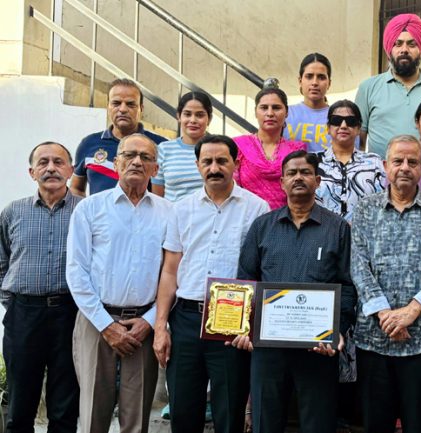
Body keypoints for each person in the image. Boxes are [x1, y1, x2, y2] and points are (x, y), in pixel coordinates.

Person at [152, 135, 269, 432]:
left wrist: (252, 326)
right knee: (183, 410)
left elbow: (261, 272)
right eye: (207, 161)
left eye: (221, 161)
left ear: (236, 163)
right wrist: (160, 326)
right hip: (186, 320)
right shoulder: (181, 209)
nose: (214, 168)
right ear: (197, 165)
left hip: (232, 322)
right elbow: (169, 270)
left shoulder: (256, 208)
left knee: (229, 412)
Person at [237, 150, 355, 433]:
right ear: (282, 182)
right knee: (267, 421)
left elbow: (348, 285)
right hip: (267, 348)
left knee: (318, 423)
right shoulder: (263, 226)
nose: (298, 178)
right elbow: (246, 280)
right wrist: (244, 327)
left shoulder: (337, 228)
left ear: (317, 180)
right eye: (291, 173)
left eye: (305, 173)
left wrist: (338, 330)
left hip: (318, 347)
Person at [351, 135, 421, 433]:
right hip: (374, 337)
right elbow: (358, 265)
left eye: (412, 162)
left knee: (419, 424)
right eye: (398, 161)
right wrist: (385, 314)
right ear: (386, 166)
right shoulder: (365, 209)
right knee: (376, 424)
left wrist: (412, 311)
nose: (404, 167)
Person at [66, 133, 171, 433]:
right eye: (129, 154)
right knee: (92, 414)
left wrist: (151, 321)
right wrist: (105, 325)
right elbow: (76, 271)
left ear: (155, 169)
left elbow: (173, 272)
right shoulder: (89, 208)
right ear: (116, 163)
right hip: (95, 321)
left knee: (136, 417)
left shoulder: (169, 212)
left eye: (146, 157)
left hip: (144, 324)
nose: (137, 161)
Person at [0, 142, 81, 433]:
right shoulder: (13, 211)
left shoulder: (85, 211)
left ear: (71, 170)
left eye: (59, 162)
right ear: (32, 172)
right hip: (24, 314)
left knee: (65, 405)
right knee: (20, 404)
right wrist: (12, 300)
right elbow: (2, 260)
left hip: (70, 314)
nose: (51, 168)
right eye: (43, 162)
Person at [355, 13, 421, 158]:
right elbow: (358, 141)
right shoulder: (368, 88)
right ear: (389, 50)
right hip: (379, 176)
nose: (404, 49)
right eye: (398, 44)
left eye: (411, 44)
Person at [71, 78, 167, 196]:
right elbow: (76, 189)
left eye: (130, 104)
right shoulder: (89, 144)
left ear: (141, 109)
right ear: (108, 107)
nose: (122, 109)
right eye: (116, 103)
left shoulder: (161, 146)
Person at [234, 87, 307, 209]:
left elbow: (301, 191)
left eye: (276, 108)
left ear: (287, 112)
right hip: (247, 219)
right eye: (264, 108)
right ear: (256, 112)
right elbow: (233, 189)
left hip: (287, 220)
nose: (270, 113)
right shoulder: (239, 145)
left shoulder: (297, 149)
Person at [316, 99, 386, 222]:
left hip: (363, 236)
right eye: (336, 121)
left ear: (358, 128)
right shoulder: (314, 161)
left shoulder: (374, 162)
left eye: (351, 121)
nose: (343, 126)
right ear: (328, 128)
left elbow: (383, 203)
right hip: (322, 236)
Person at [152, 91, 212, 201]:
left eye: (199, 115)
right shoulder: (163, 150)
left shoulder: (218, 150)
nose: (193, 120)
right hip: (173, 216)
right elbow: (158, 199)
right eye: (187, 114)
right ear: (179, 117)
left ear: (209, 119)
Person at [283, 53, 336, 152]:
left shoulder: (339, 118)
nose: (315, 82)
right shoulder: (285, 114)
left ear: (329, 83)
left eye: (321, 77)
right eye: (309, 76)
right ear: (300, 81)